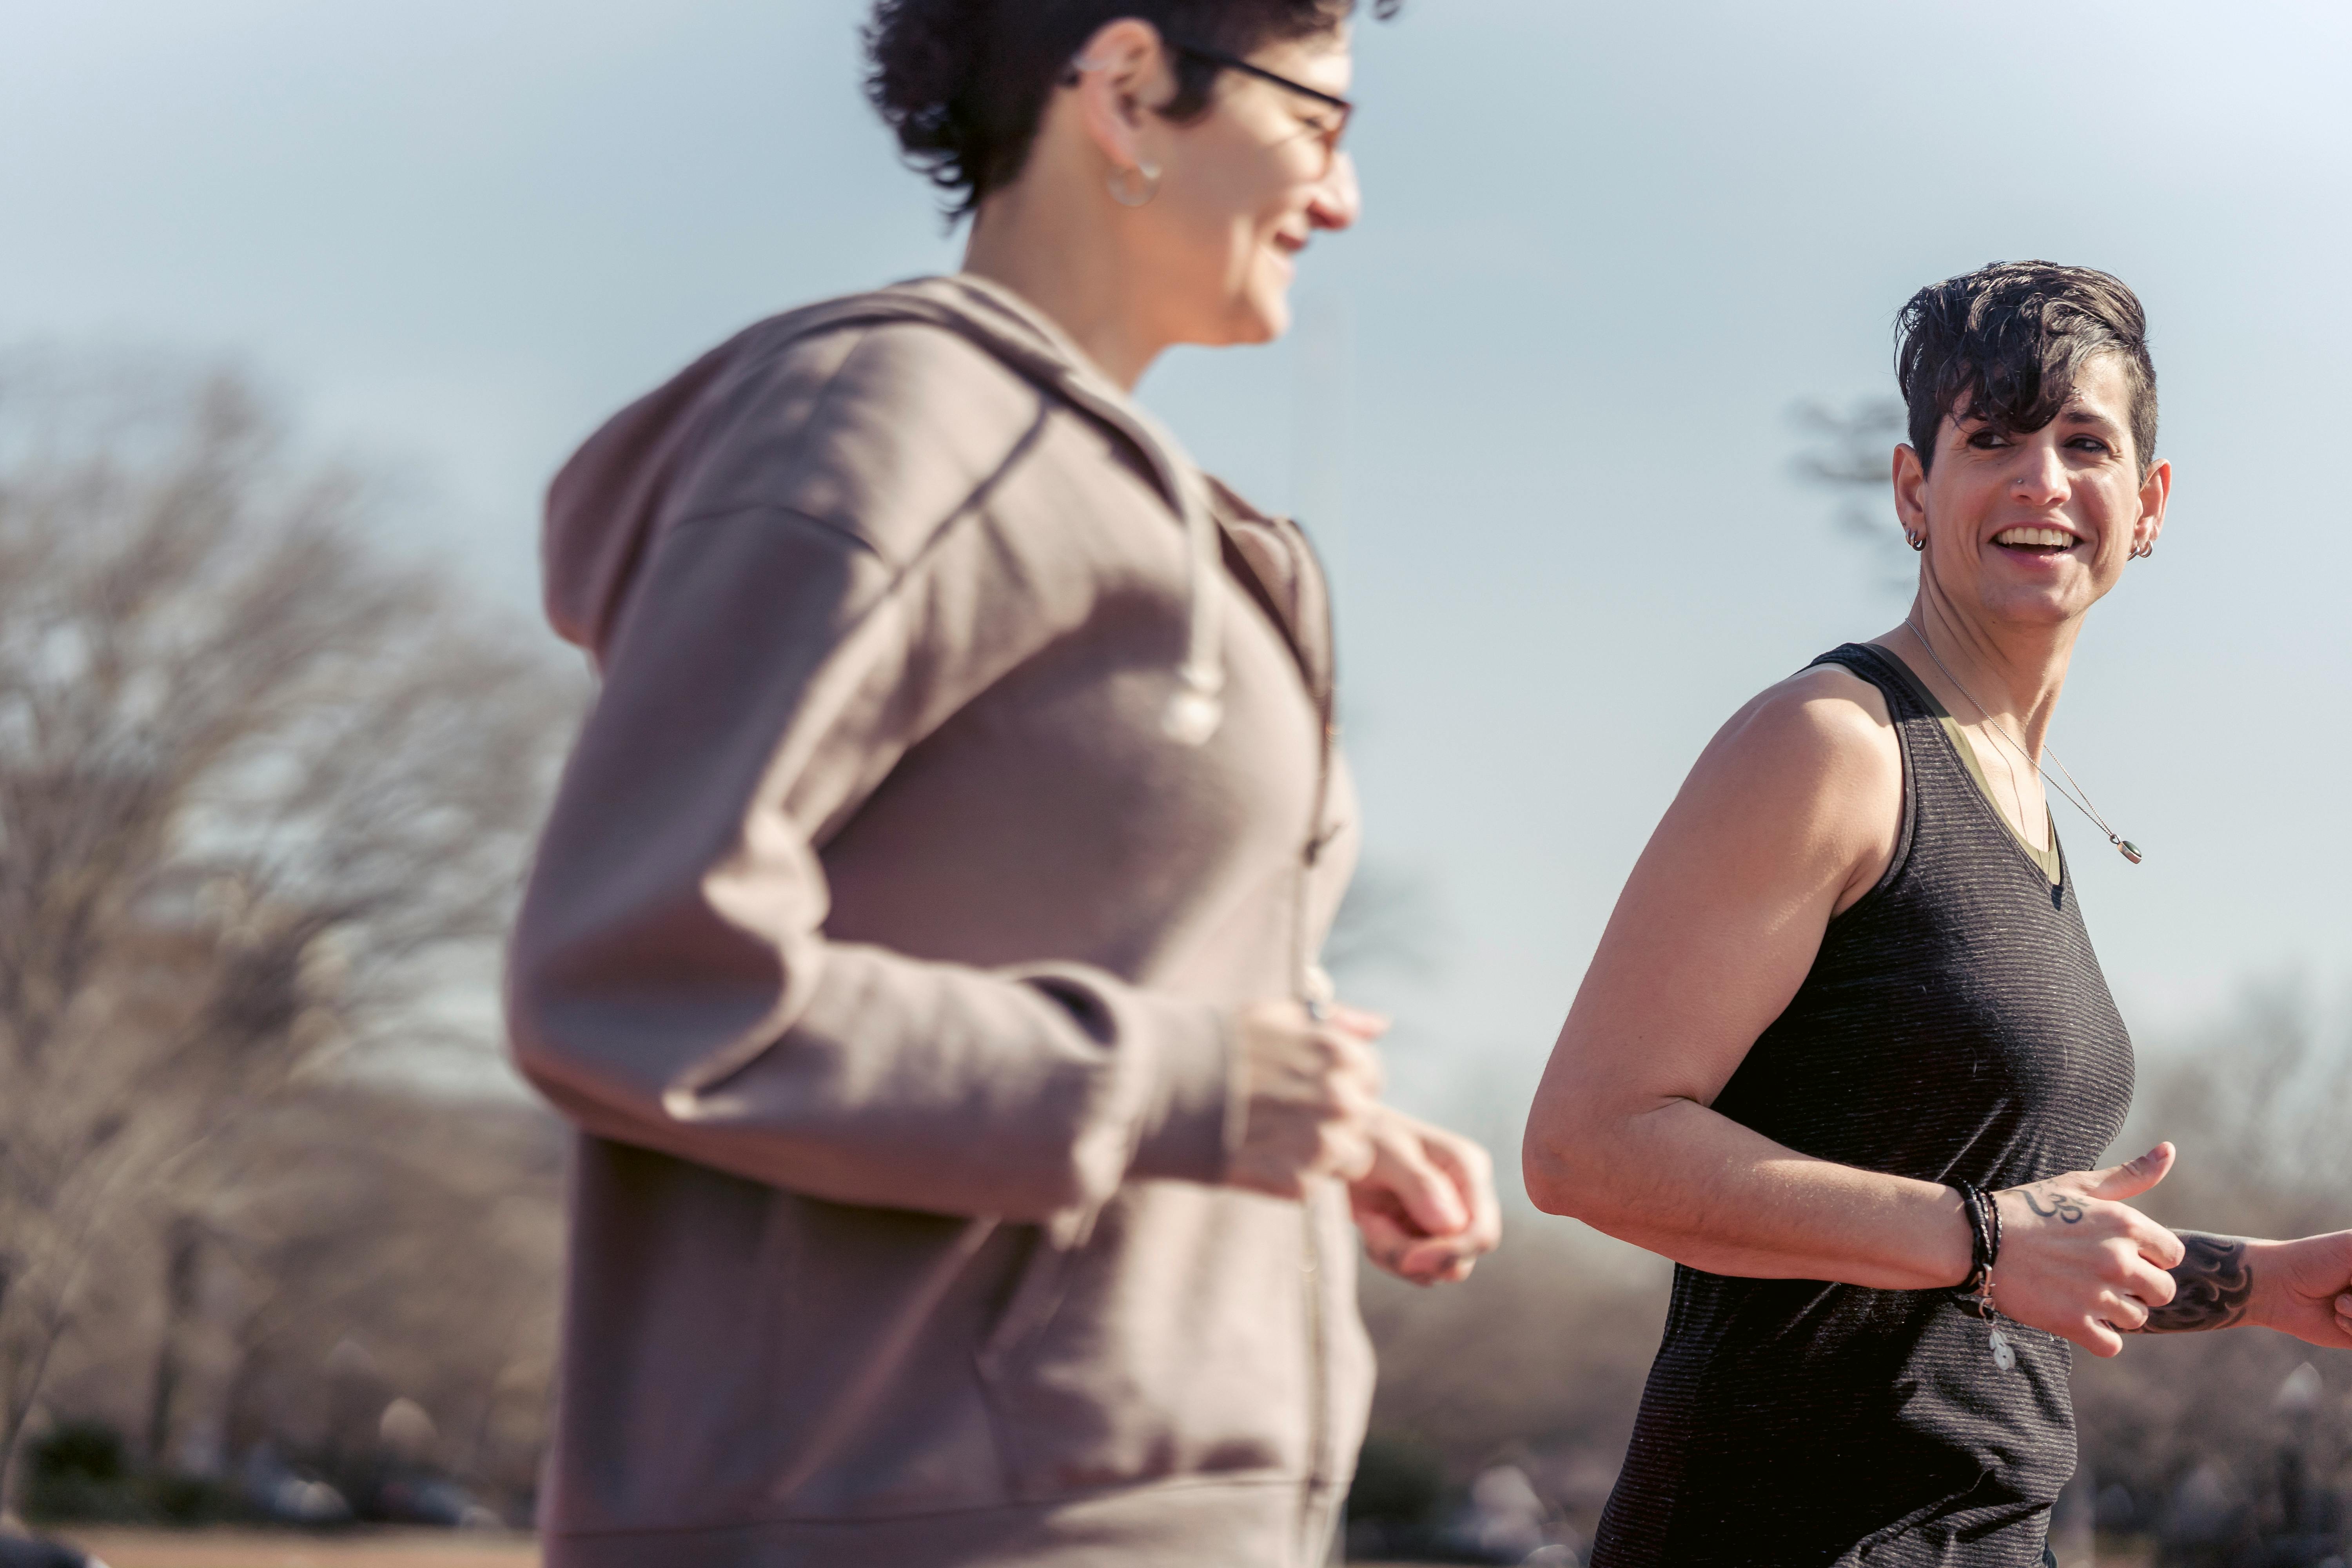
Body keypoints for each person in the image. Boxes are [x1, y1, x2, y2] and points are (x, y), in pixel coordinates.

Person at [504, 3, 1500, 1566]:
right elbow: (626, 978)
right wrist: (1187, 1084)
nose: (1342, 196)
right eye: (1320, 123)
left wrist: (1315, 1118)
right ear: (1124, 89)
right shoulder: (887, 426)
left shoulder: (1140, 499)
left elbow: (1055, 967)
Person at [1521, 261, 2352, 1566]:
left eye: (2085, 442)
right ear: (1915, 491)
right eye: (1993, 440)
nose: (2041, 482)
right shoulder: (1832, 746)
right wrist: (1977, 1242)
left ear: (2150, 504)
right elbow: (1585, 1146)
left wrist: (2260, 1283)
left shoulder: (2012, 787)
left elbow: (1999, 1241)